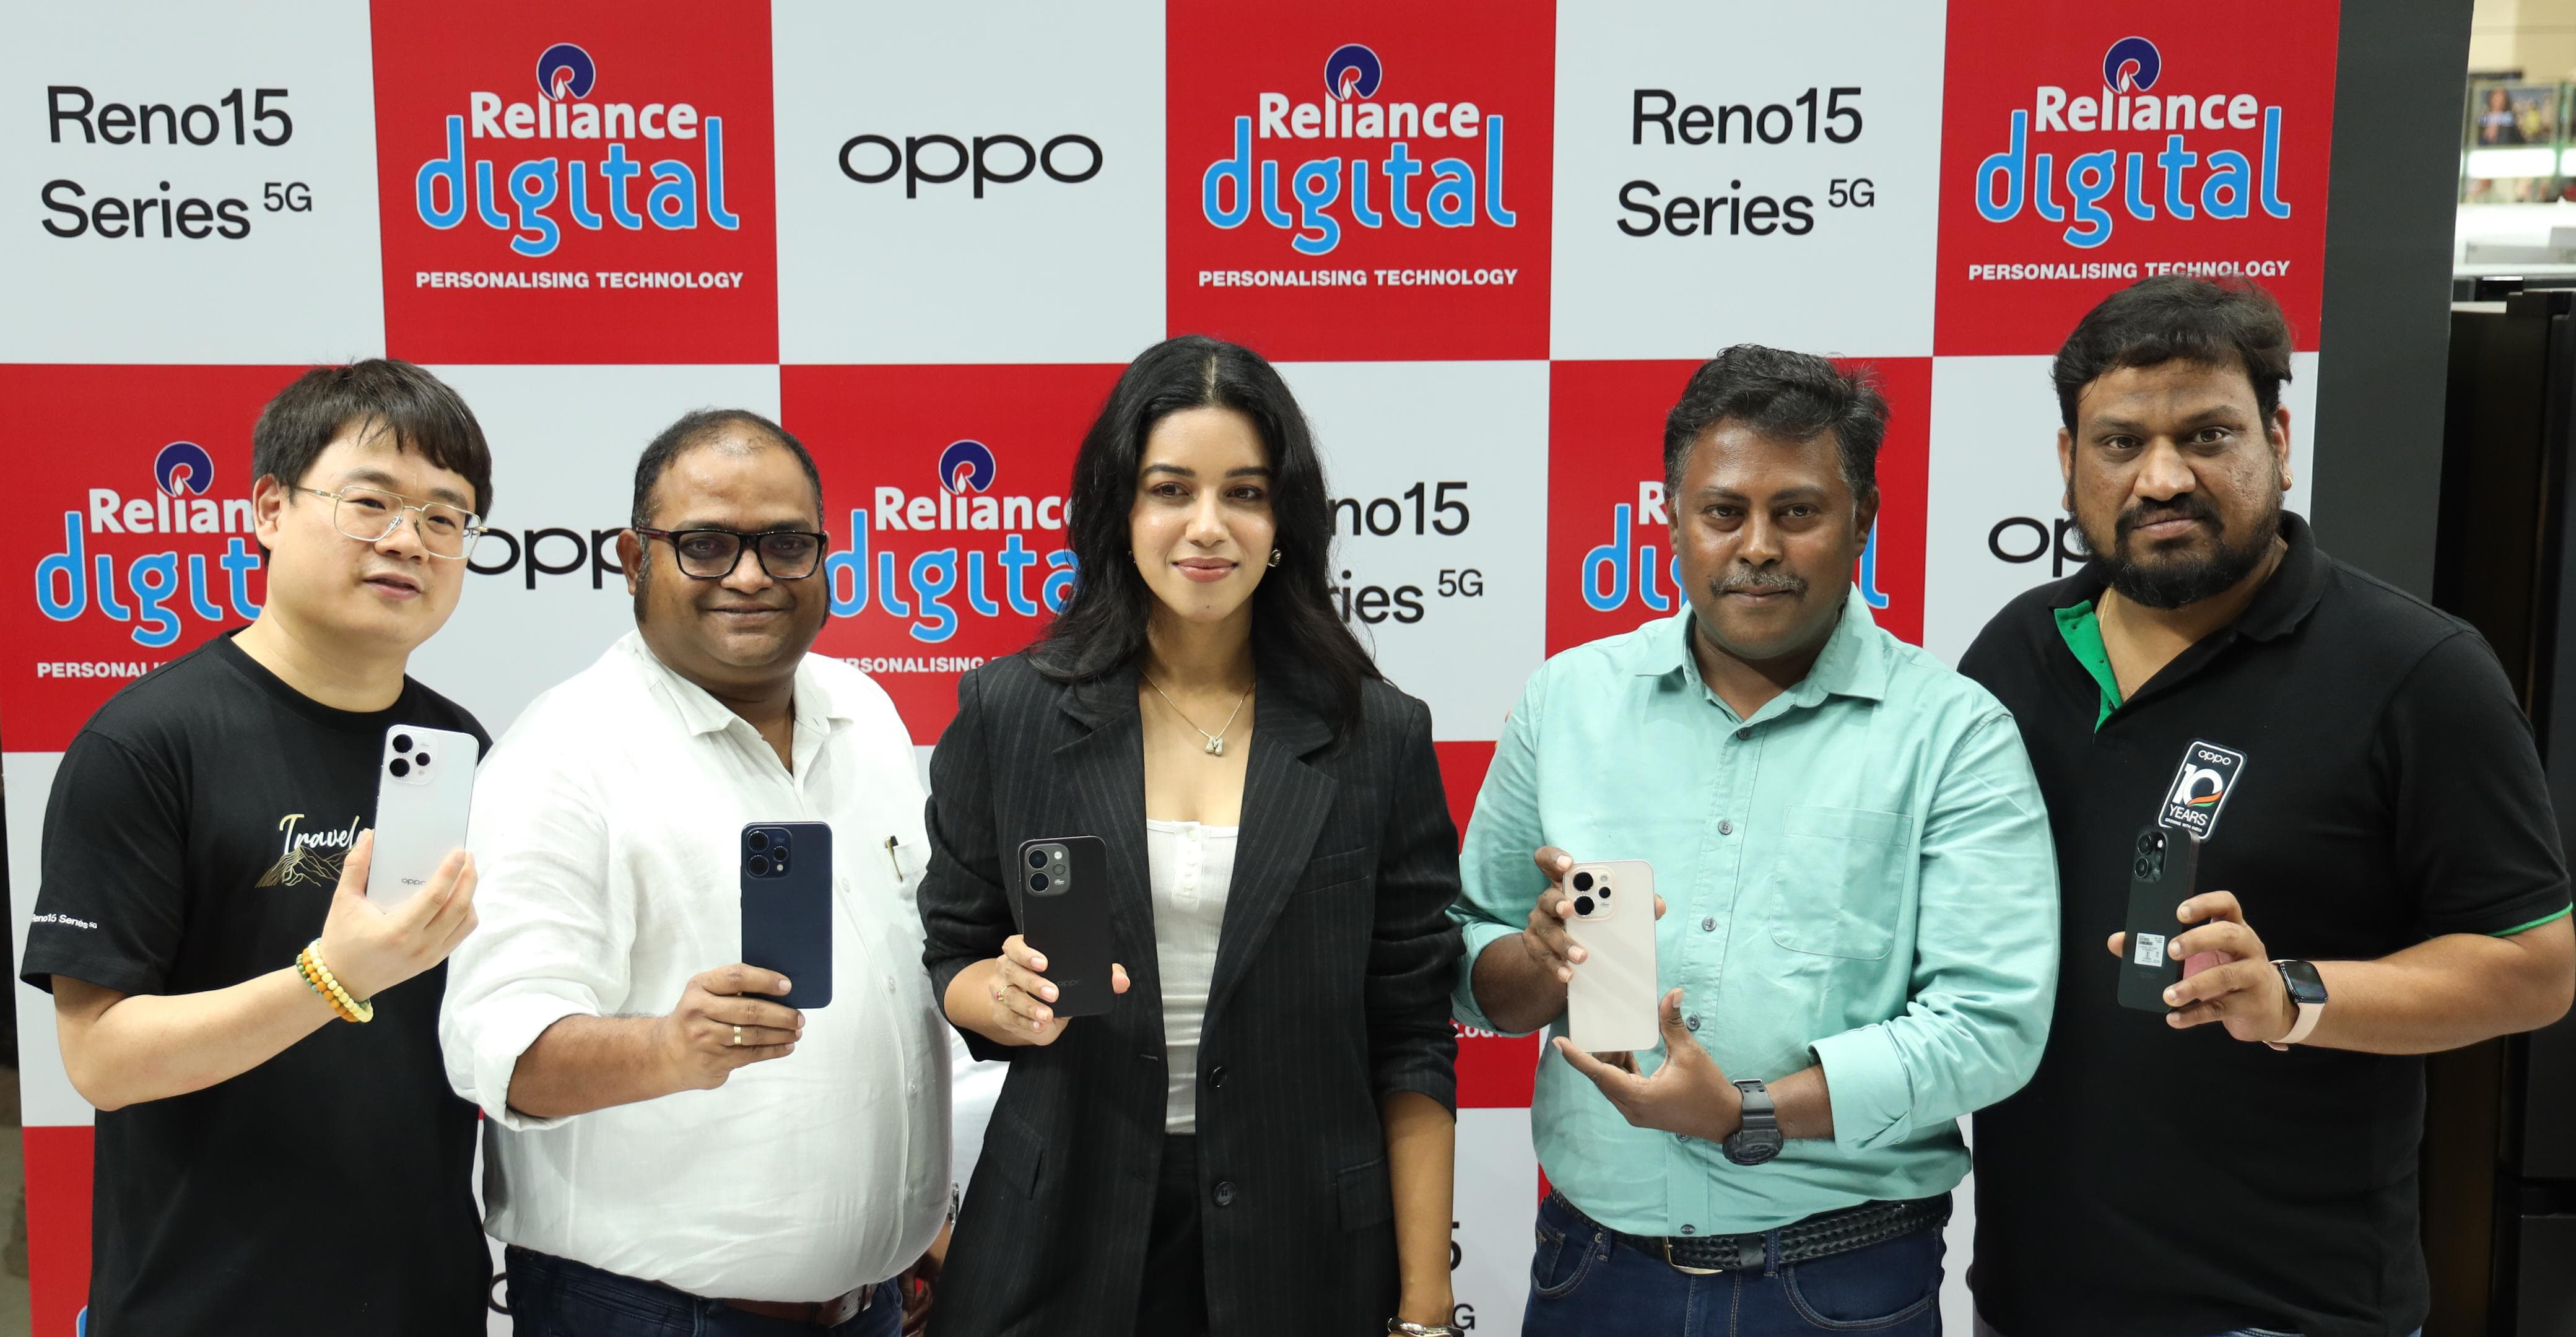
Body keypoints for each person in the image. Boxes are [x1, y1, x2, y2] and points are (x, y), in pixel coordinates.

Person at [1959, 274, 2576, 1337]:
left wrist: (2291, 994)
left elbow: (2534, 968)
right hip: (2027, 1297)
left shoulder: (2417, 670)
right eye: (2120, 444)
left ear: (2278, 441)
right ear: (2069, 462)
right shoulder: (2017, 649)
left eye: (2208, 435)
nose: (2163, 478)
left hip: (2286, 1311)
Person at [1451, 346, 2061, 1336]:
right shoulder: (1567, 701)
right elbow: (1471, 958)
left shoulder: (1953, 734)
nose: (1758, 547)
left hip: (1840, 1282)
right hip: (1594, 1269)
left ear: (1863, 518)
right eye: (1724, 511)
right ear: (1672, 519)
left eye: (1798, 511)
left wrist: (1747, 1112)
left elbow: (1990, 1028)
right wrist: (1536, 955)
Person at [916, 334, 1466, 1337]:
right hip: (1056, 1236)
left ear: (1284, 520)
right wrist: (999, 996)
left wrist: (1426, 1307)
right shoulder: (1012, 712)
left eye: (1244, 494)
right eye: (1170, 490)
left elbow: (1413, 1035)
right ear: (1120, 510)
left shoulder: (1376, 736)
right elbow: (955, 950)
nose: (1207, 527)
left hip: (1306, 1249)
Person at [439, 410, 951, 1335]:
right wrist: (669, 1048)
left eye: (786, 544)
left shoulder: (866, 712)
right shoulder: (564, 753)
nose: (750, 576)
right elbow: (499, 1054)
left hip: (871, 1308)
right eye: (706, 545)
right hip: (650, 1316)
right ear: (635, 560)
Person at [21, 360, 497, 1333]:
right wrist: (331, 978)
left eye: (446, 517)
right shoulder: (147, 743)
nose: (408, 540)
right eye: (371, 503)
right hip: (208, 1305)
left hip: (426, 1299)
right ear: (271, 510)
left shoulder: (457, 748)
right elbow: (102, 1058)